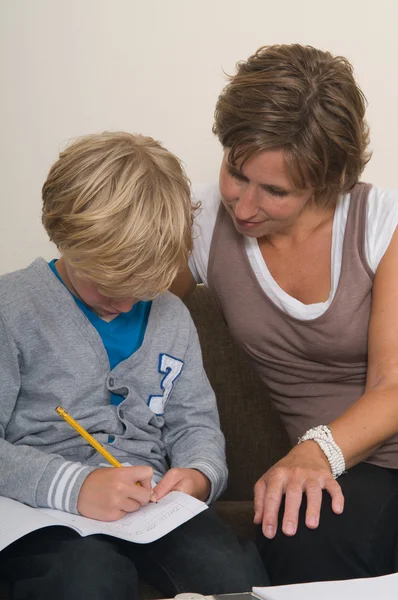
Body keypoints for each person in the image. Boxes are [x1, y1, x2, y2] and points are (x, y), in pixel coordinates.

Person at [0, 132, 268, 600]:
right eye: (107, 287)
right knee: (87, 580)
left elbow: (195, 422)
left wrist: (199, 473)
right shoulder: (13, 310)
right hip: (44, 512)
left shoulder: (173, 317)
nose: (125, 304)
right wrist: (75, 486)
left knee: (231, 573)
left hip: (151, 510)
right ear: (65, 237)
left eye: (142, 290)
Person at [171, 44, 398, 585]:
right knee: (299, 539)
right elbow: (126, 298)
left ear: (325, 182)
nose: (244, 205)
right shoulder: (204, 225)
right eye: (236, 172)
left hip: (340, 456)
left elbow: (392, 381)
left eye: (274, 191)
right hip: (351, 479)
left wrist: (315, 453)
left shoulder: (379, 222)